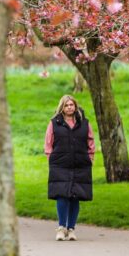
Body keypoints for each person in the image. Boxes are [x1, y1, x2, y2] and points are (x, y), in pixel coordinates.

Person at [44, 94, 95, 241]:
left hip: (80, 164)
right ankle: (61, 228)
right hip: (60, 165)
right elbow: (48, 143)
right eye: (66, 105)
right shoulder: (54, 123)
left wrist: (90, 158)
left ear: (75, 106)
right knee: (62, 195)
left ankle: (71, 229)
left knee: (75, 196)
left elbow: (90, 142)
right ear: (62, 107)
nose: (69, 107)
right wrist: (51, 159)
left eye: (71, 105)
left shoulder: (84, 123)